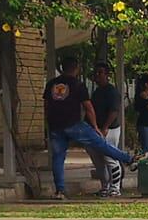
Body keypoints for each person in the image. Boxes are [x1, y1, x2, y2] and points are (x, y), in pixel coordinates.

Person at [43, 54, 137, 200]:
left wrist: (49, 121)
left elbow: (46, 105)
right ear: (76, 68)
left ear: (62, 68)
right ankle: (128, 159)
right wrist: (95, 127)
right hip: (73, 124)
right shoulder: (77, 85)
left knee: (58, 158)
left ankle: (60, 191)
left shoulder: (51, 84)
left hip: (55, 126)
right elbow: (88, 108)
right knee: (101, 144)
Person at [90, 62, 126, 196]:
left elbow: (114, 111)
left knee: (110, 157)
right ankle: (105, 186)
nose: (97, 76)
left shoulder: (112, 92)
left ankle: (115, 187)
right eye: (96, 73)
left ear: (107, 75)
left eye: (100, 73)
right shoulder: (97, 92)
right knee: (99, 160)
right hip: (97, 128)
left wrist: (105, 127)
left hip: (110, 129)